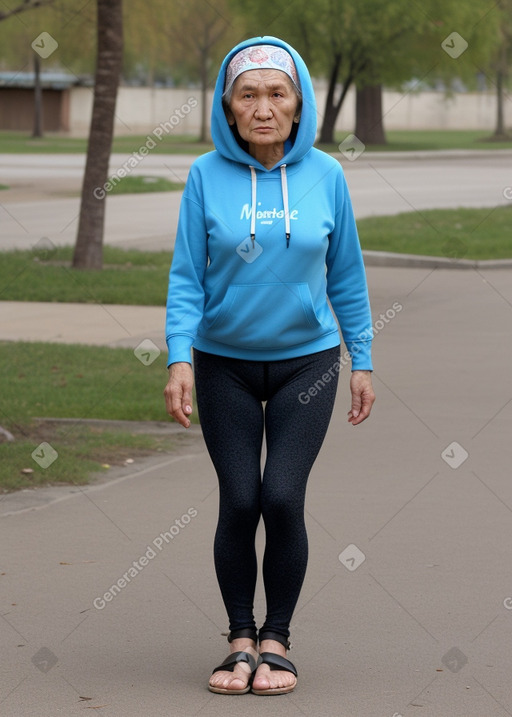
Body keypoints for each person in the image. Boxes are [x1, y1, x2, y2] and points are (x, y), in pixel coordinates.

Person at [164, 36, 375, 696]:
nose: (263, 107)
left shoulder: (326, 176)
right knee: (240, 497)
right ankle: (238, 638)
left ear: (298, 103)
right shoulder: (205, 175)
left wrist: (362, 356)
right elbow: (185, 279)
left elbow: (347, 275)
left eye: (277, 93)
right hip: (222, 362)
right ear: (228, 107)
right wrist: (178, 357)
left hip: (304, 365)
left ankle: (276, 638)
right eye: (247, 94)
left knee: (281, 495)